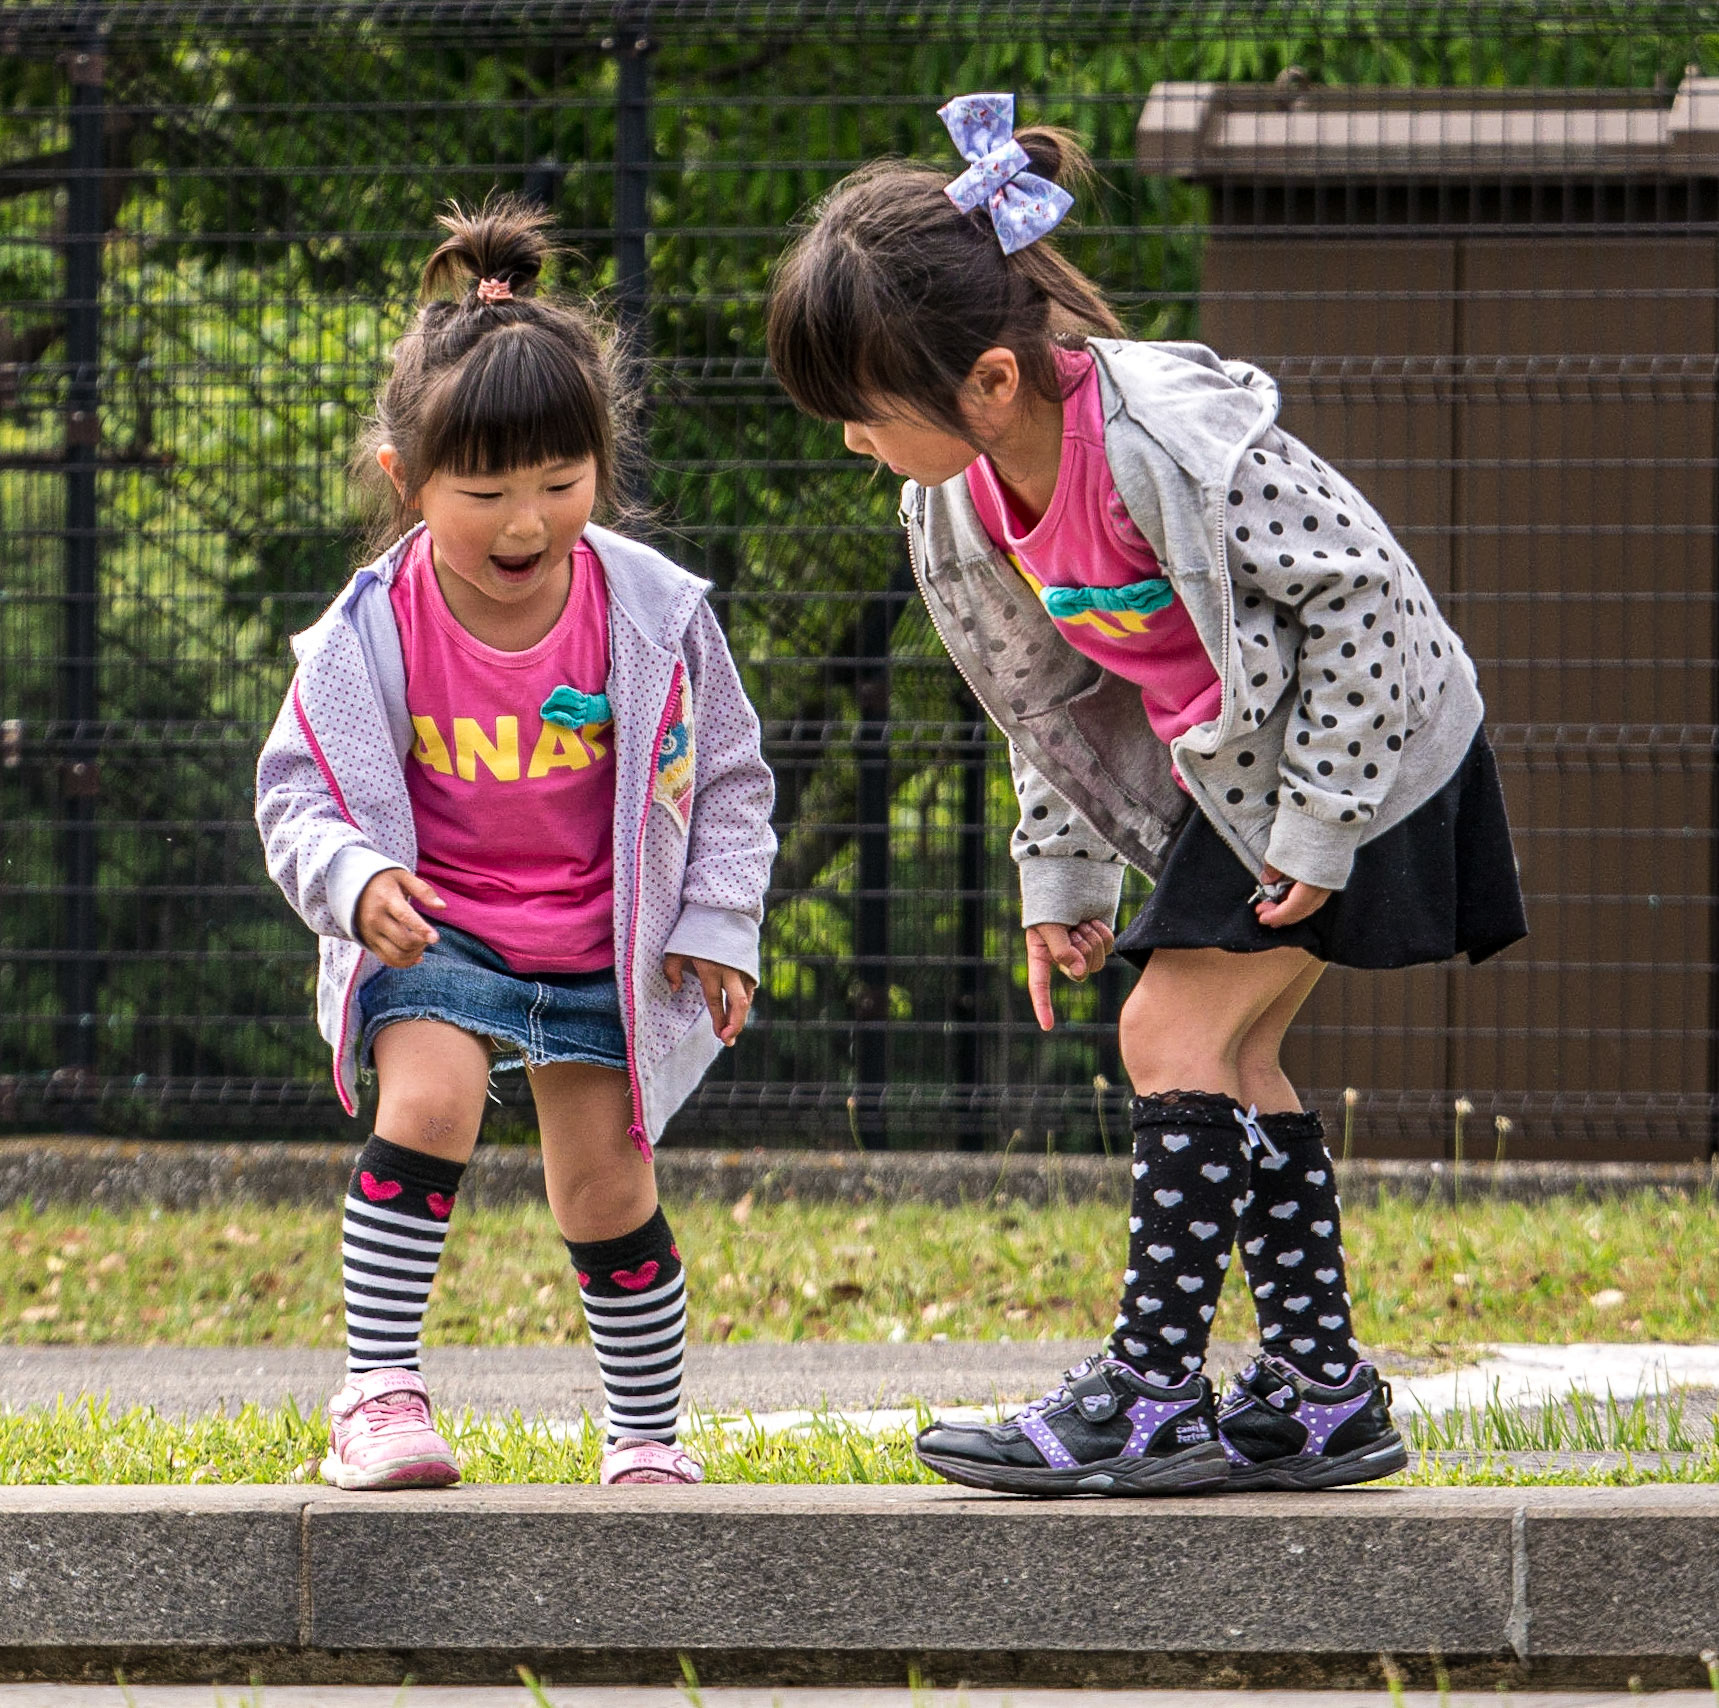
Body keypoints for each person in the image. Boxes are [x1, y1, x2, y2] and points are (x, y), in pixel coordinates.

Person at [766, 95, 1524, 1495]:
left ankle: (1150, 1394)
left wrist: (1320, 825)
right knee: (1234, 1054)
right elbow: (1051, 694)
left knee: (1167, 1029)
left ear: (991, 380)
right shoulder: (966, 496)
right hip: (1246, 784)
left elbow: (1363, 598)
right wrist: (1061, 880)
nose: (855, 444)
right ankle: (1320, 1396)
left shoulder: (1166, 444)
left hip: (1372, 760)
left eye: (866, 415)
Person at [257, 196, 775, 1490]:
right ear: (405, 480)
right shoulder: (368, 632)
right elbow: (295, 794)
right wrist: (355, 880)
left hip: (605, 947)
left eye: (560, 482)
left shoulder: (651, 613)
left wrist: (717, 921)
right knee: (430, 1102)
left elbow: (729, 775)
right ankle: (379, 1396)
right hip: (440, 931)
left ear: (603, 460)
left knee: (603, 1188)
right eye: (485, 492)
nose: (528, 522)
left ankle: (646, 1436)